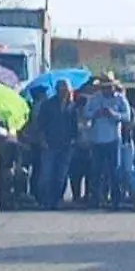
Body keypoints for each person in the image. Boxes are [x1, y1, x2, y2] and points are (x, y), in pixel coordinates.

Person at [83, 75, 132, 210]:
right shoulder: (94, 98)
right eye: (104, 87)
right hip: (97, 140)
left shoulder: (120, 98)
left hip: (113, 140)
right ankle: (96, 200)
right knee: (96, 172)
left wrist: (114, 114)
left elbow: (127, 116)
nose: (107, 90)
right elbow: (86, 113)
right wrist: (96, 114)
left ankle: (116, 200)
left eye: (109, 87)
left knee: (114, 172)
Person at [35, 79, 78, 210]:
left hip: (66, 145)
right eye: (62, 90)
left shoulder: (72, 106)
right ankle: (45, 201)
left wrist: (74, 140)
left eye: (67, 90)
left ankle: (57, 200)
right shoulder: (47, 105)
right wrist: (42, 140)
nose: (64, 92)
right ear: (57, 90)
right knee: (47, 175)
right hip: (50, 143)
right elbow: (40, 125)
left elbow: (75, 126)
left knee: (61, 175)